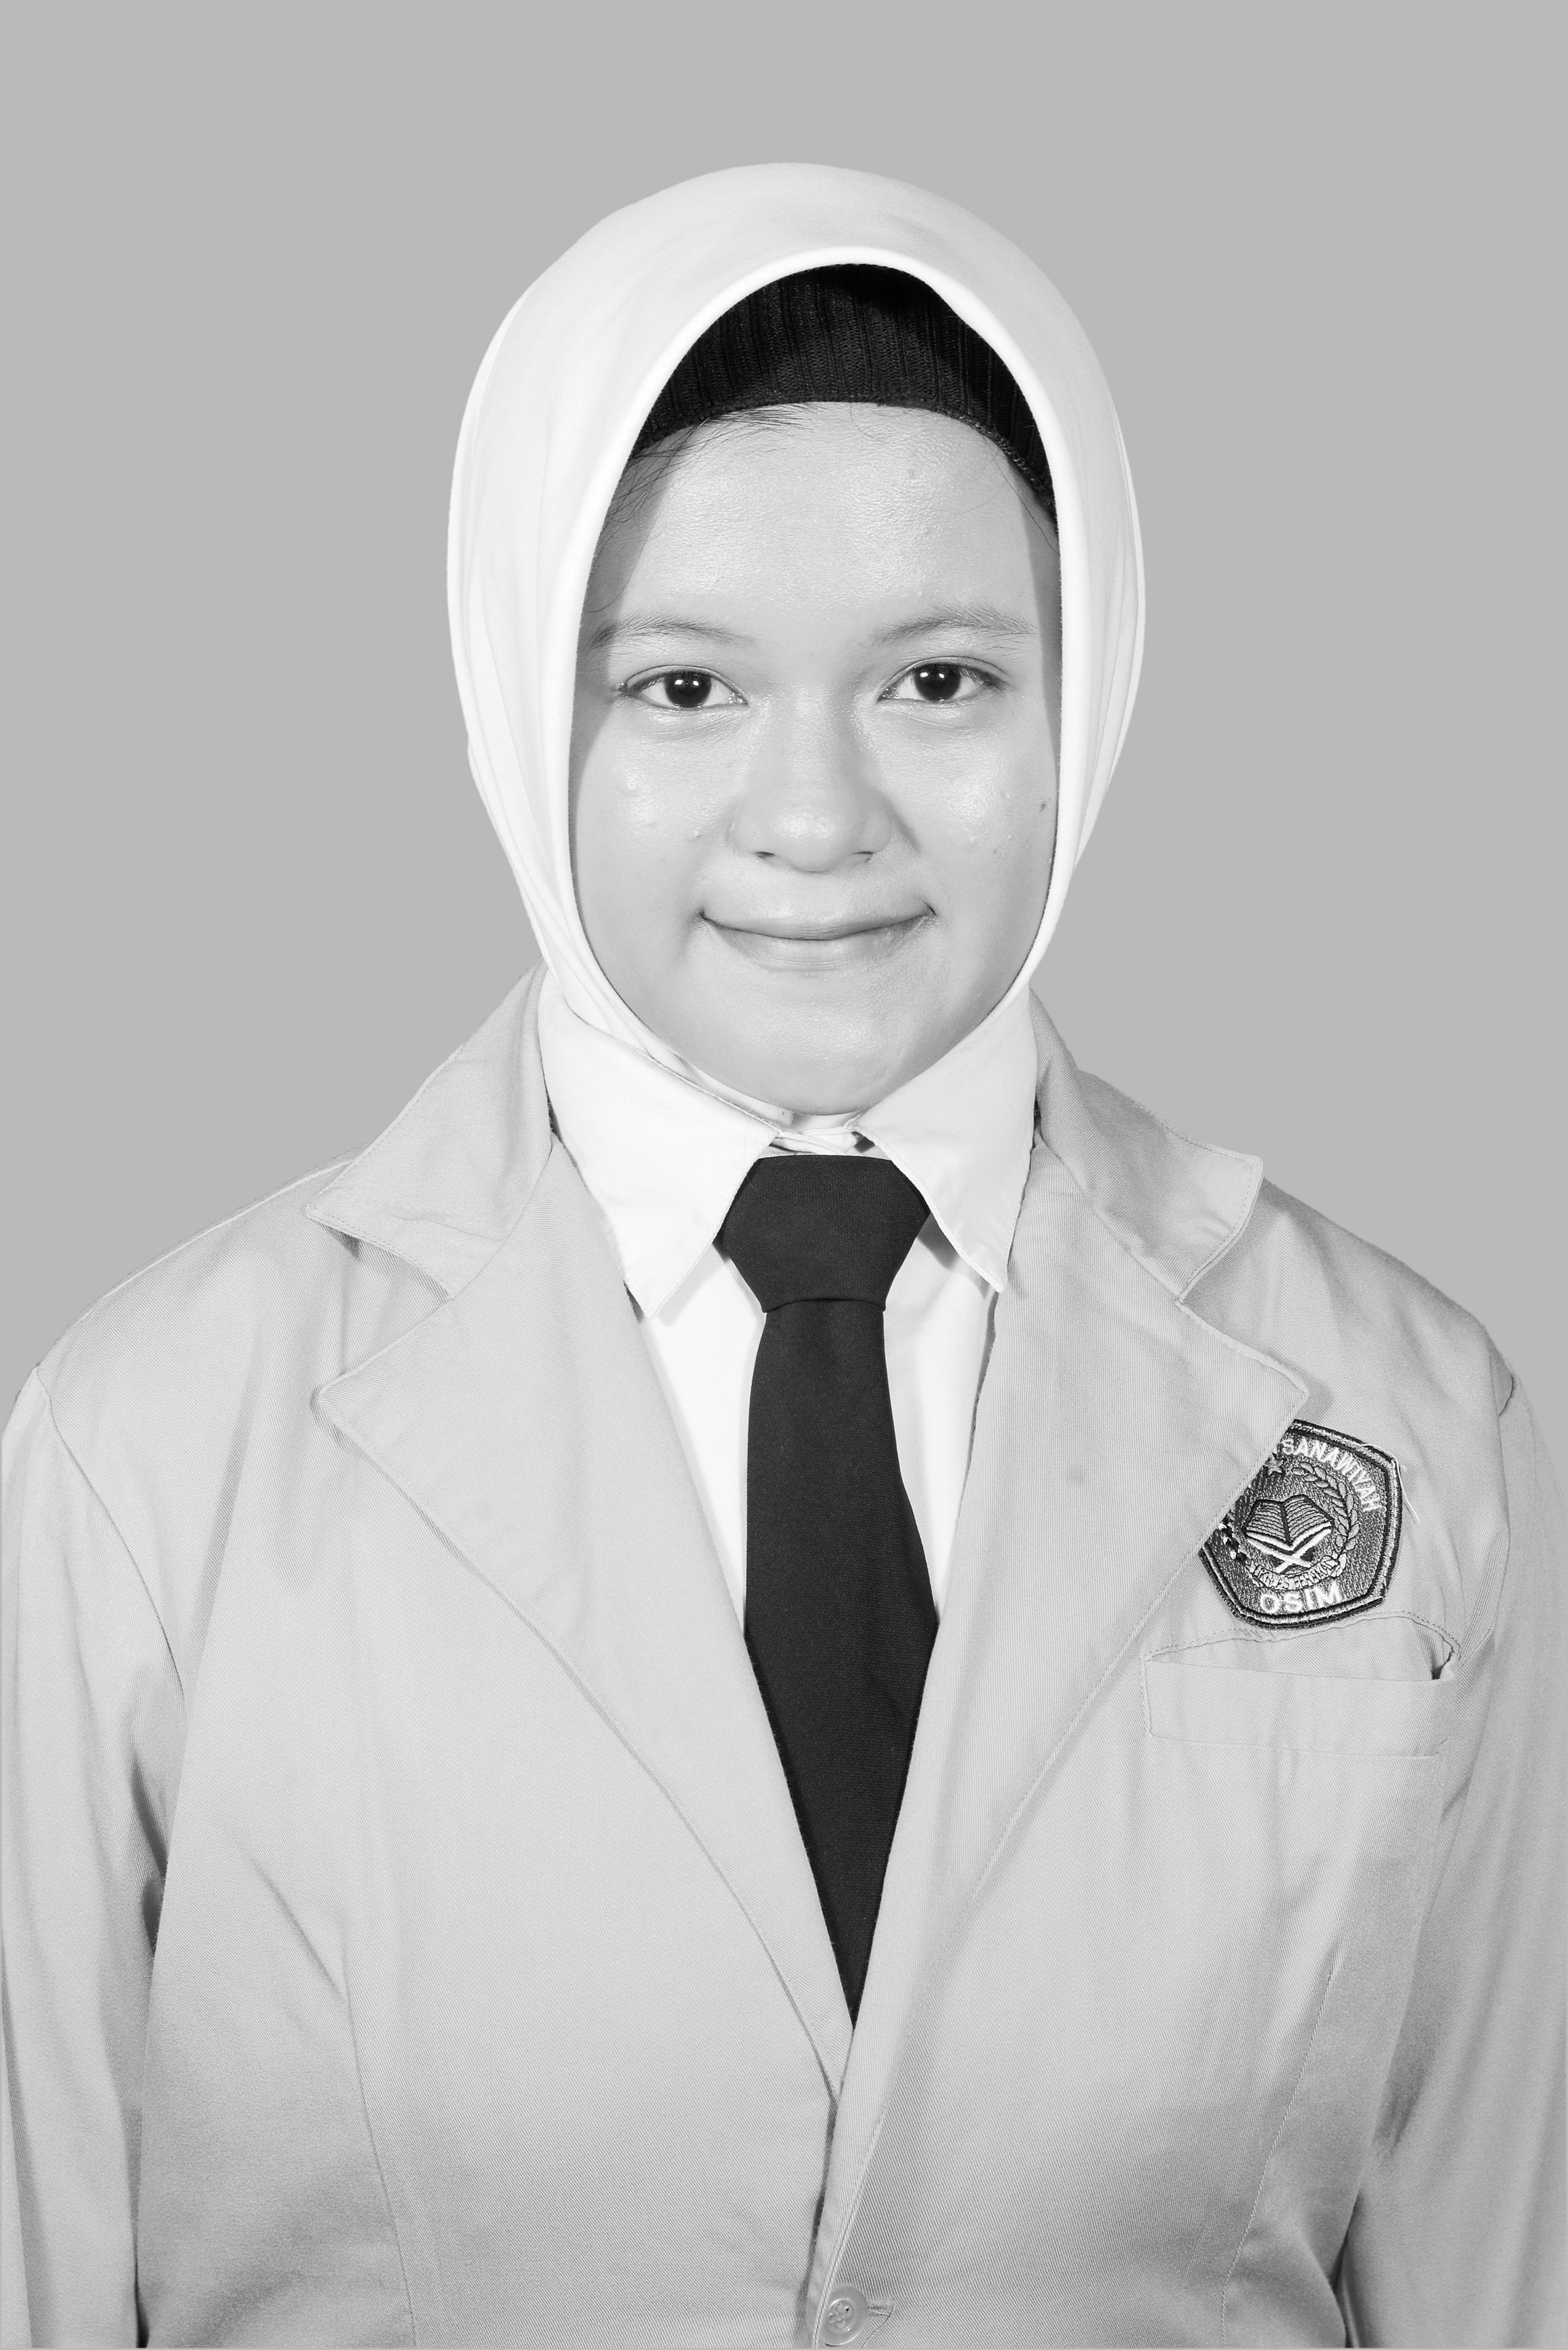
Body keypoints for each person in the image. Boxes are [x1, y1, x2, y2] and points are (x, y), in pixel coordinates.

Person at [1, 162, 1562, 2350]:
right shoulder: (152, 1450)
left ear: (1089, 692)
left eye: (940, 678)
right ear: (513, 695)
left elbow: (1506, 2272)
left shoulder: (1410, 1416)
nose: (817, 819)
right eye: (680, 688)